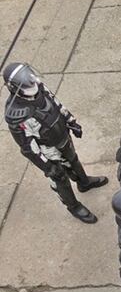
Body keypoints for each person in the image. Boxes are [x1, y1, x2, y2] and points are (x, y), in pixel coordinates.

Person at [3, 62, 108, 222]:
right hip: (47, 149)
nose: (32, 83)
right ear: (14, 86)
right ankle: (74, 207)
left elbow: (57, 104)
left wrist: (71, 121)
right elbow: (27, 148)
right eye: (26, 82)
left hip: (62, 134)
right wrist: (47, 166)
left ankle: (84, 183)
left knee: (73, 160)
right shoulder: (16, 114)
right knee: (59, 179)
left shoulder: (39, 87)